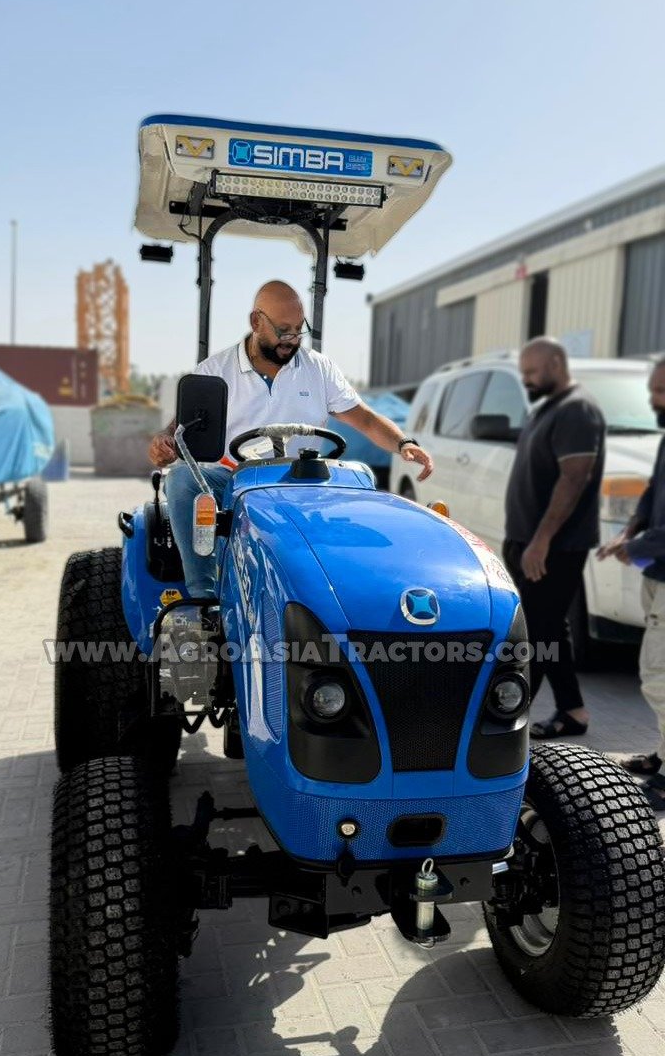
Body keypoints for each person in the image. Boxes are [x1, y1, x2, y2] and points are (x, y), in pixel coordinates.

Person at [149, 280, 434, 599]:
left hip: (305, 483)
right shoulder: (215, 371)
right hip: (235, 482)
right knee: (183, 479)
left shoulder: (319, 369)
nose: (293, 339)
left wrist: (403, 443)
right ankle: (205, 596)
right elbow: (180, 428)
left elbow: (365, 418)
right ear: (256, 322)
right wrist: (165, 441)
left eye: (299, 330)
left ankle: (361, 594)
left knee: (362, 479)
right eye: (284, 331)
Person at [502, 337, 606, 739]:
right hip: (529, 543)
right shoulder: (548, 408)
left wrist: (542, 540)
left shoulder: (577, 409)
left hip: (554, 547)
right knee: (550, 629)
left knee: (534, 634)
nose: (526, 379)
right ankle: (573, 710)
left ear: (557, 364)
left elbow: (574, 478)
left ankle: (506, 723)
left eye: (532, 371)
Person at [597, 355, 665, 807]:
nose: (653, 400)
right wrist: (630, 530)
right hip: (657, 572)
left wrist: (636, 546)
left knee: (658, 676)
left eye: (661, 391)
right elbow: (653, 491)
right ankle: (662, 753)